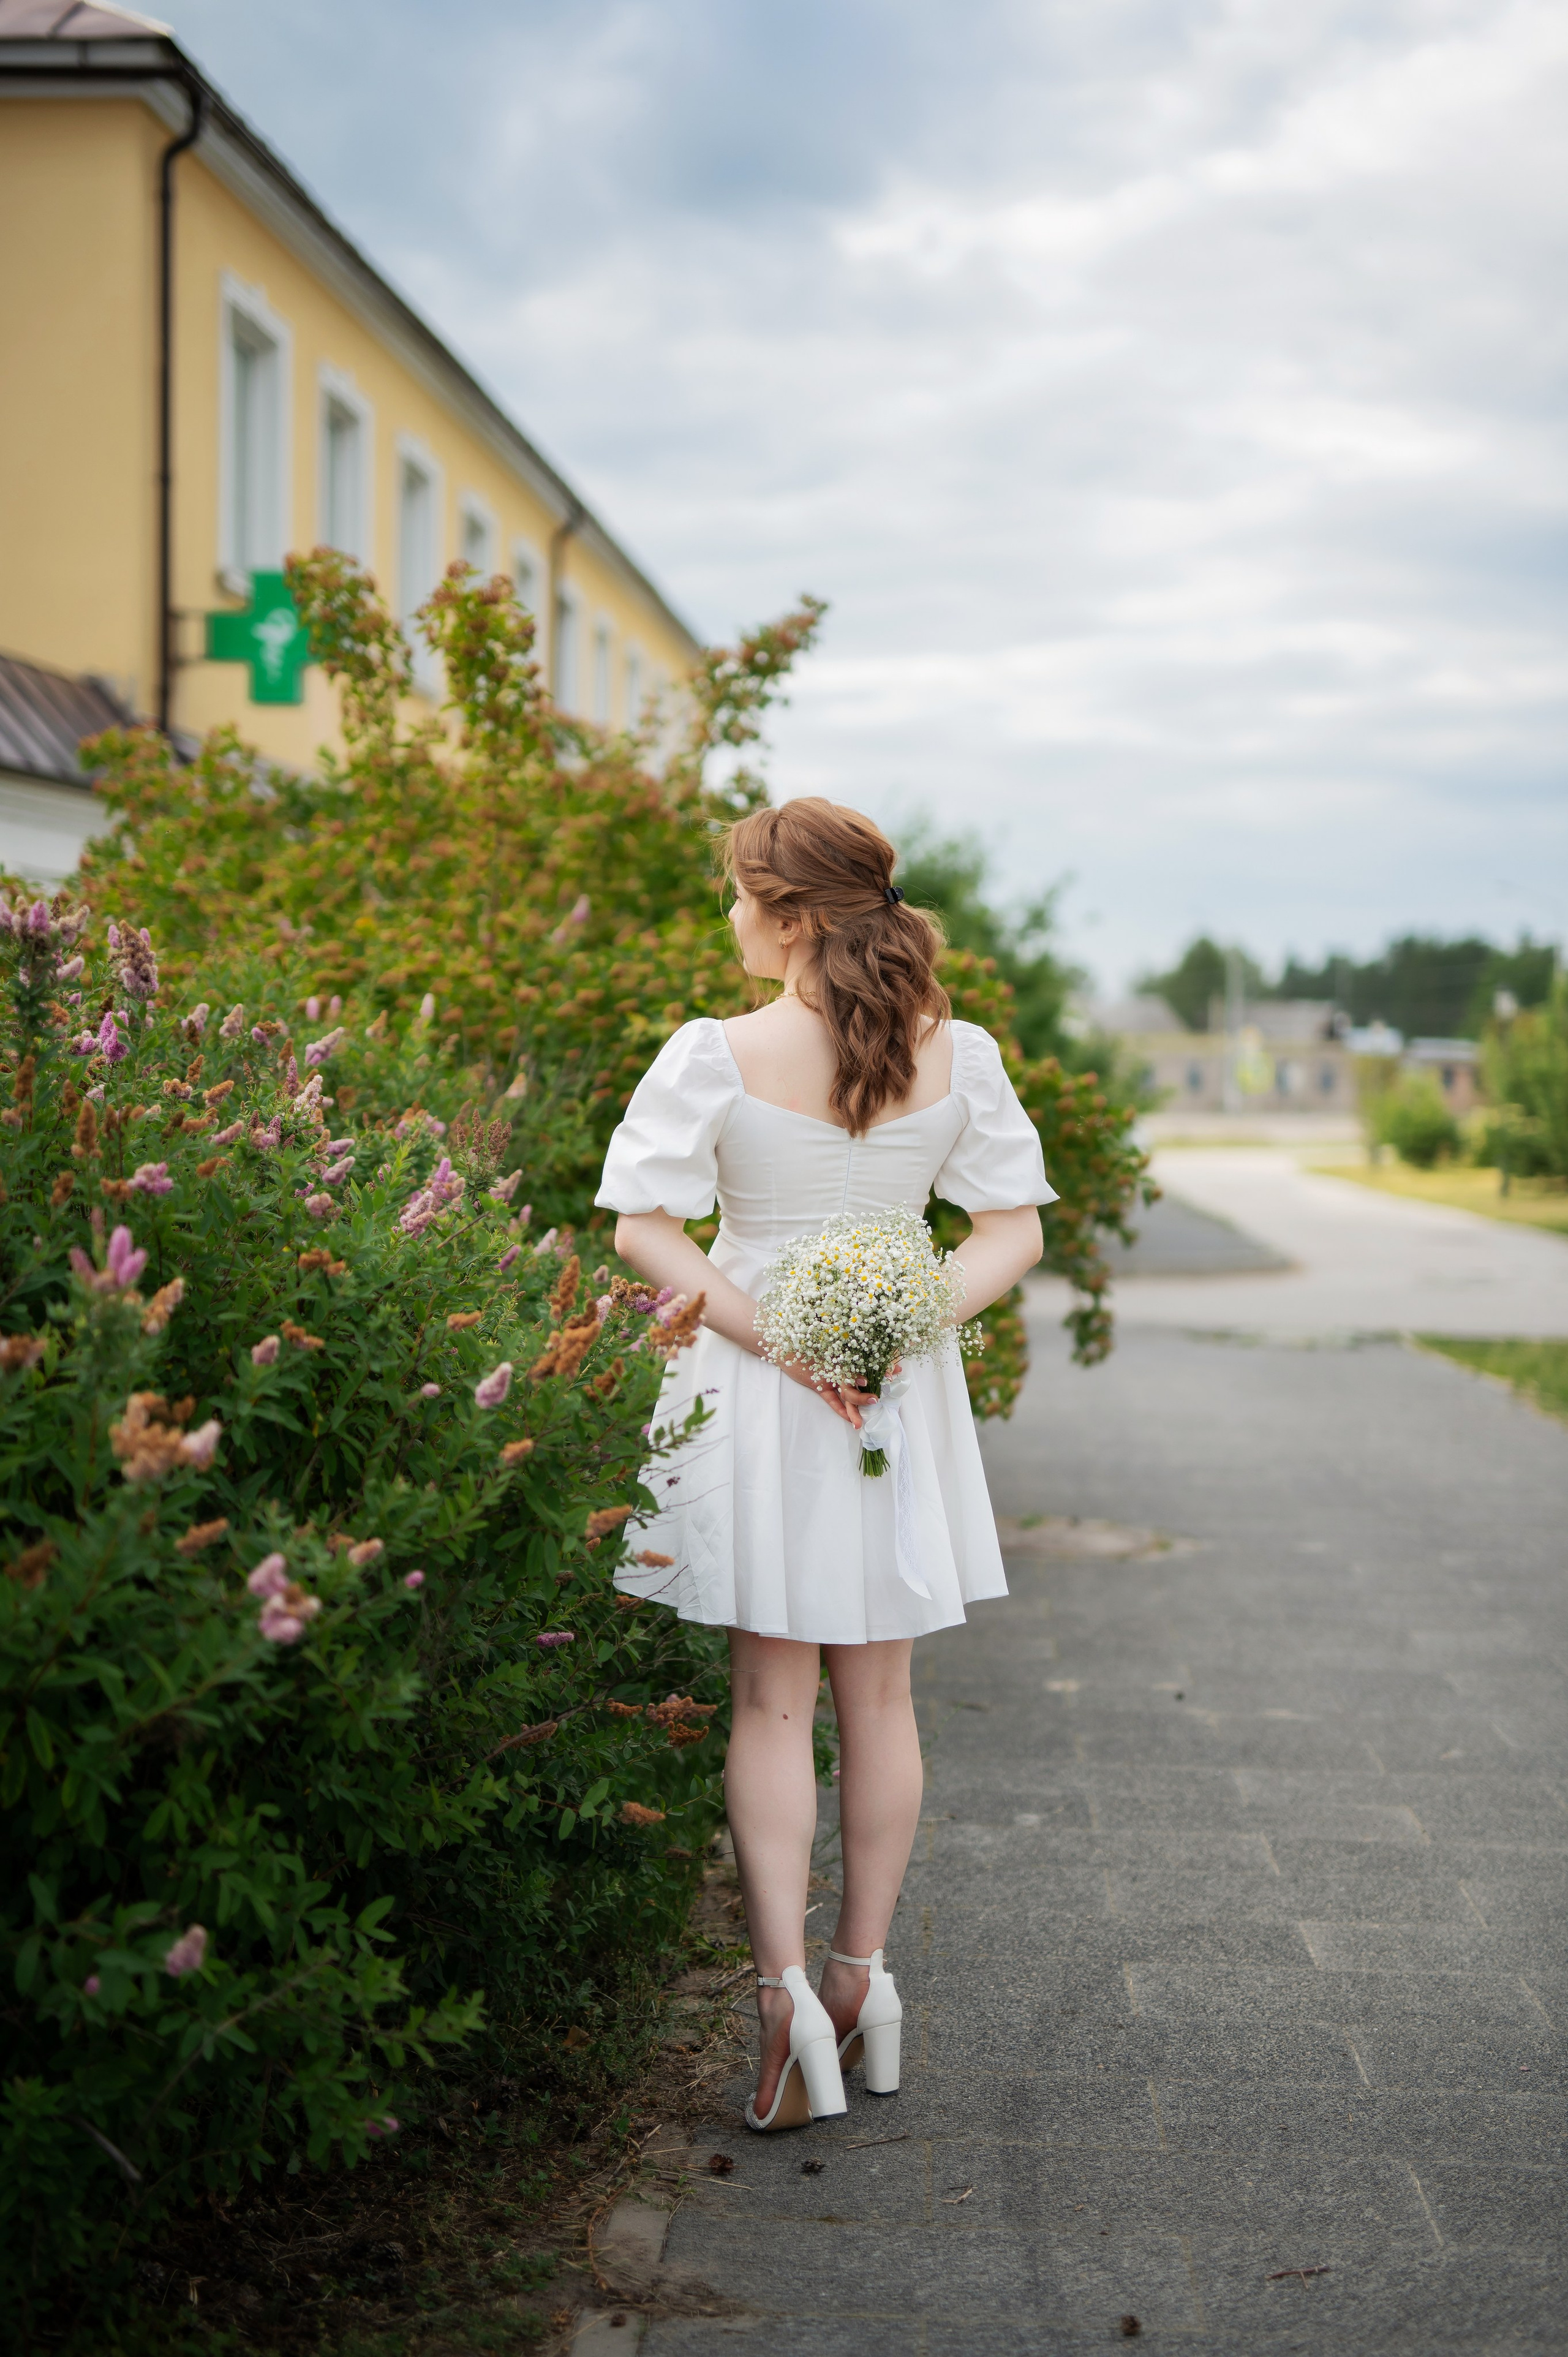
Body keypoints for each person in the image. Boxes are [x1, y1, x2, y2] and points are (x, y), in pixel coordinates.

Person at [596, 798, 1054, 2131]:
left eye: (739, 894)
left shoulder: (715, 1052)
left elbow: (645, 1229)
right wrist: (894, 1321)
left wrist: (787, 1340)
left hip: (757, 1390)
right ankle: (860, 1980)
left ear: (791, 913)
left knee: (767, 1703)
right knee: (883, 1697)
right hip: (897, 1395)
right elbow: (1007, 1234)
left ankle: (783, 1995)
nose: (727, 916)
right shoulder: (952, 1050)